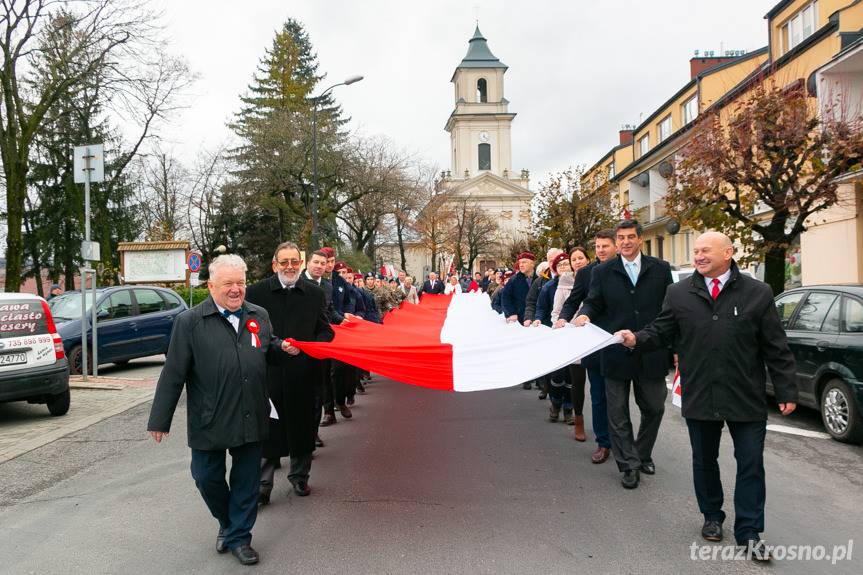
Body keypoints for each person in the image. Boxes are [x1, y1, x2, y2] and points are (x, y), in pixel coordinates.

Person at [616, 232, 798, 560]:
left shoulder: (758, 293)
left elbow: (776, 345)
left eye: (705, 250)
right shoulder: (679, 292)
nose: (698, 256)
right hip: (701, 392)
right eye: (695, 251)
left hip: (746, 395)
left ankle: (750, 532)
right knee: (704, 460)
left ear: (728, 252)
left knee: (751, 464)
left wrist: (786, 389)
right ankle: (712, 517)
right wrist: (635, 339)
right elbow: (661, 330)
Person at [147, 254, 290, 566]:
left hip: (251, 411)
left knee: (247, 480)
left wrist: (282, 349)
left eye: (241, 283)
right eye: (229, 284)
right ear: (211, 286)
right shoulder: (190, 322)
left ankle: (240, 537)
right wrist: (160, 420)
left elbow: (267, 348)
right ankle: (228, 522)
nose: (236, 289)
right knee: (205, 476)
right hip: (209, 415)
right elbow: (173, 373)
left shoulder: (258, 315)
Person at [574, 220, 673, 489]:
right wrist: (585, 314)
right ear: (617, 242)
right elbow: (593, 301)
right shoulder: (604, 271)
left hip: (650, 350)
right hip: (615, 350)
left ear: (640, 239)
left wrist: (673, 348)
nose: (626, 242)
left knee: (653, 407)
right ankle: (629, 464)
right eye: (621, 237)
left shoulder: (660, 269)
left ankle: (642, 453)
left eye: (631, 236)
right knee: (617, 412)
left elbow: (669, 310)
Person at [245, 242, 334, 506]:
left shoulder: (314, 294)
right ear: (275, 265)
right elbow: (250, 332)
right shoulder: (257, 293)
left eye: (294, 262)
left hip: (304, 373)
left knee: (303, 426)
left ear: (301, 263)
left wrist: (310, 346)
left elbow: (326, 330)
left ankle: (299, 476)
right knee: (267, 429)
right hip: (269, 372)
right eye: (284, 262)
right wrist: (275, 345)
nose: (290, 267)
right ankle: (263, 484)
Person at [554, 229, 617, 463]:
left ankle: (623, 440)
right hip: (593, 341)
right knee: (599, 394)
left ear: (616, 246)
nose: (601, 250)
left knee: (618, 396)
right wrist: (563, 317)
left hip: (620, 340)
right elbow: (574, 301)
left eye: (605, 246)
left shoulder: (626, 270)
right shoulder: (586, 274)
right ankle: (603, 442)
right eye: (598, 247)